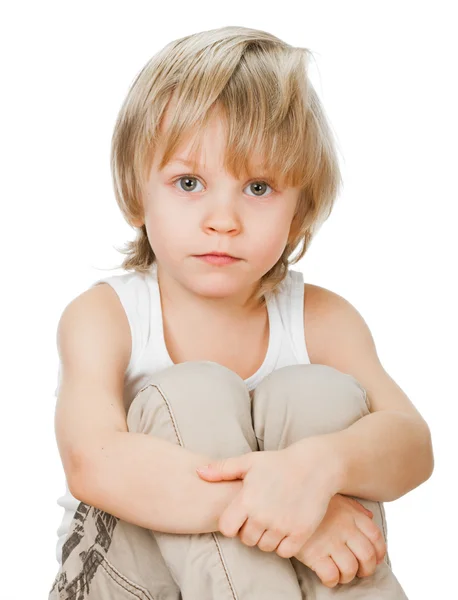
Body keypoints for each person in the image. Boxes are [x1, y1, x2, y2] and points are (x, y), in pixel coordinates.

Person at [49, 25, 433, 599]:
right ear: (136, 193)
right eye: (188, 182)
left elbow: (412, 445)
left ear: (300, 210)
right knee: (192, 391)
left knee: (319, 397)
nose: (222, 219)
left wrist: (318, 468)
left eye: (258, 187)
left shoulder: (323, 319)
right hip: (129, 579)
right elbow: (92, 462)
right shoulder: (105, 317)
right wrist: (292, 518)